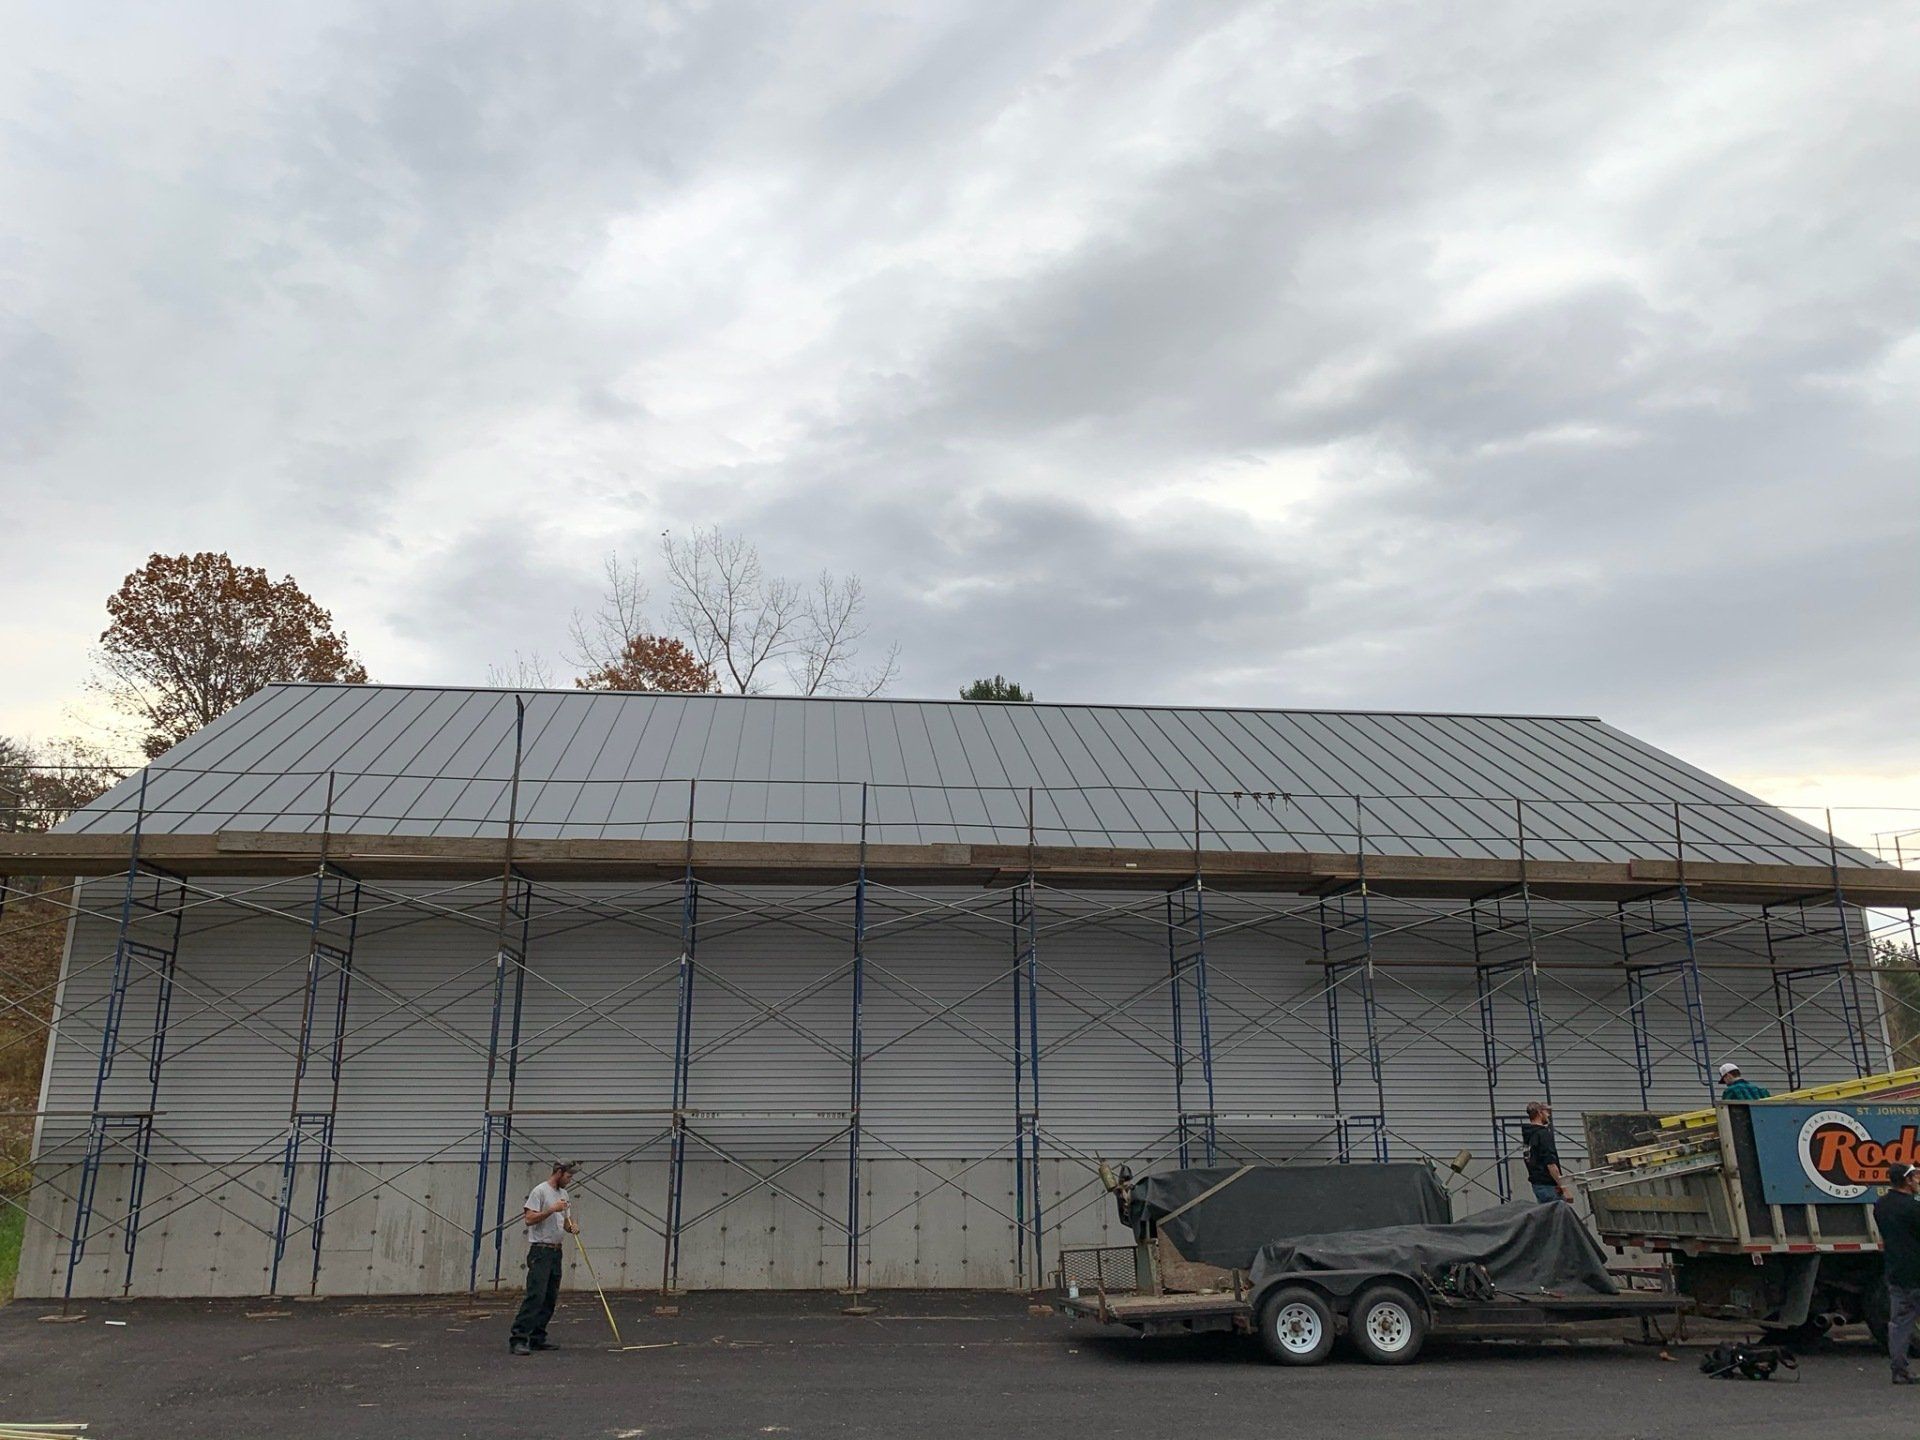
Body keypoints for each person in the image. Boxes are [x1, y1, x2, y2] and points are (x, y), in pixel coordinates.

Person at [509, 1160, 579, 1356]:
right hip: (541, 1250)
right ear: (558, 1172)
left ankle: (537, 1337)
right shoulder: (540, 1191)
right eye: (568, 1176)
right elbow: (529, 1219)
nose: (570, 1180)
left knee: (550, 1297)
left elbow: (565, 1221)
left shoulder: (563, 1195)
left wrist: (572, 1226)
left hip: (556, 1251)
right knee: (536, 1295)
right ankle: (519, 1338)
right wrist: (550, 1210)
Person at [1876, 1161, 1920, 1385]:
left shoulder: (1881, 1205)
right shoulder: (1913, 1207)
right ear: (1907, 1180)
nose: (1918, 1181)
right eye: (1915, 1177)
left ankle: (1899, 1370)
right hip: (1916, 1271)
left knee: (1900, 1322)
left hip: (1894, 1270)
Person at [1520, 1101, 1571, 1204]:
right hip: (1549, 1186)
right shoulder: (1543, 1134)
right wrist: (1564, 1188)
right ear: (1539, 1112)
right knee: (1557, 1218)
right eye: (1546, 1112)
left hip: (1537, 1185)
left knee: (1545, 1216)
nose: (1548, 1115)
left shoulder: (1528, 1135)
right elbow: (1551, 1164)